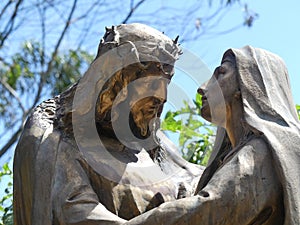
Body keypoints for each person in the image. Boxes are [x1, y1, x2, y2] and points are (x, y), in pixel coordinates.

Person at [13, 23, 203, 225]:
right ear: (116, 82)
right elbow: (73, 215)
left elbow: (195, 181)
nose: (162, 97)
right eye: (151, 84)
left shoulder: (156, 147)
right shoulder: (56, 136)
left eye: (167, 84)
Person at [127, 46, 300, 225]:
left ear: (248, 83)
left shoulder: (261, 152)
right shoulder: (234, 159)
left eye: (221, 74)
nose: (202, 89)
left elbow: (206, 209)